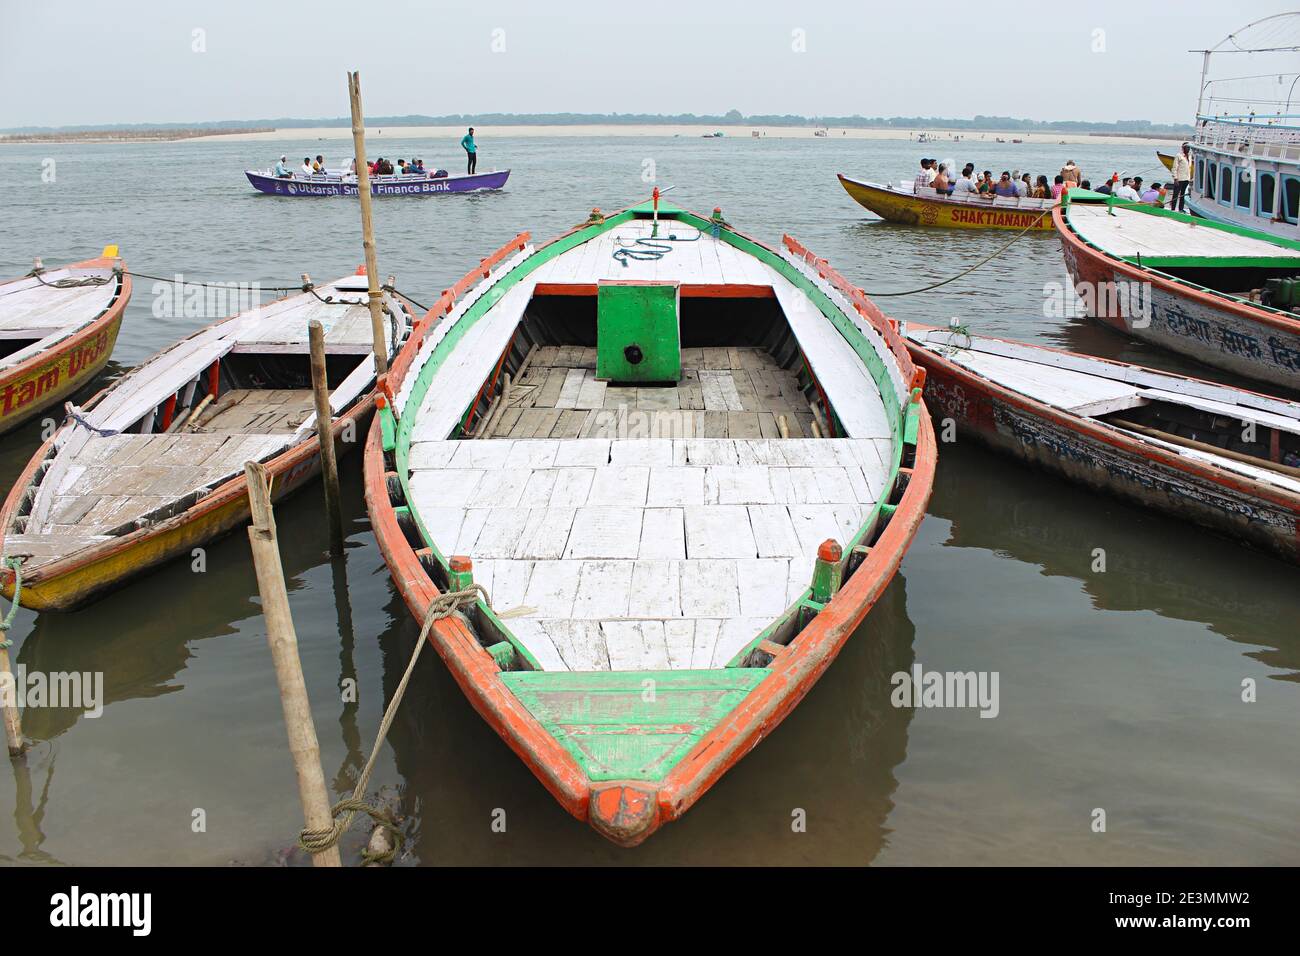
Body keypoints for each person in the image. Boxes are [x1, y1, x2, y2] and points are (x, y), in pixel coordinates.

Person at [1171, 143, 1192, 212]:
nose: (1188, 149)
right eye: (1187, 147)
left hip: (1187, 179)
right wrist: (1175, 178)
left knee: (1183, 195)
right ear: (1183, 148)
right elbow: (1174, 168)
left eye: (1189, 148)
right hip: (1179, 179)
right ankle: (1173, 209)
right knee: (1175, 194)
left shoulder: (1189, 156)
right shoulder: (1179, 156)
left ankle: (1181, 209)